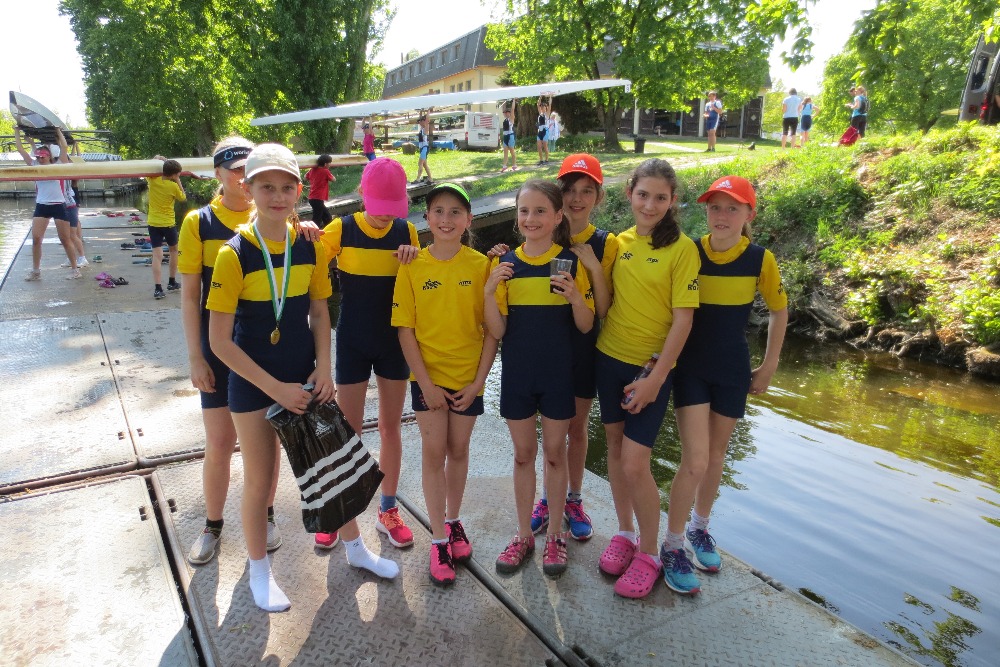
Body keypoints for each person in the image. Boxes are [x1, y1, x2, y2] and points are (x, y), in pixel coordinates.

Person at [207, 143, 398, 612]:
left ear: (298, 191)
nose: (277, 196)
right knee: (261, 480)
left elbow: (320, 311)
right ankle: (259, 572)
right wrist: (275, 389)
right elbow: (220, 342)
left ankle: (356, 549)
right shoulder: (234, 254)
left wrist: (324, 367)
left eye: (286, 187)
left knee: (335, 468)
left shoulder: (308, 247)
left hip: (305, 375)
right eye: (266, 187)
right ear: (247, 188)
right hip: (255, 384)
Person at [180, 137, 324, 565]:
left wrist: (306, 227)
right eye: (236, 170)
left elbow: (313, 295)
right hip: (222, 346)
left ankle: (266, 516)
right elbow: (190, 296)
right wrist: (195, 356)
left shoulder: (291, 227)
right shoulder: (201, 223)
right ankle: (212, 524)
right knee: (220, 441)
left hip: (266, 345)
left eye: (248, 166)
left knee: (267, 445)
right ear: (224, 176)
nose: (241, 174)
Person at [663, 175, 788, 595]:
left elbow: (779, 310)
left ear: (749, 214)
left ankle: (699, 529)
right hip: (691, 367)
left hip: (733, 368)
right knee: (695, 460)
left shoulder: (760, 259)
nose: (722, 215)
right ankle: (672, 545)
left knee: (716, 456)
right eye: (715, 207)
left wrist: (768, 365)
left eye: (732, 208)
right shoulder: (689, 251)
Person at [594, 158, 700, 600]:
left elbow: (683, 320)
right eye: (643, 195)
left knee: (636, 463)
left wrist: (657, 378)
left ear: (672, 200)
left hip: (649, 370)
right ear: (629, 194)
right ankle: (624, 532)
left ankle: (651, 553)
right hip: (609, 358)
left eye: (660, 197)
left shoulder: (683, 249)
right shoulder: (618, 243)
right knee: (616, 452)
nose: (650, 205)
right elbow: (608, 300)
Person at [485, 179, 595, 578]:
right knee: (522, 455)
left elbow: (585, 325)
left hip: (558, 376)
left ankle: (554, 537)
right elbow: (497, 330)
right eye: (524, 211)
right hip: (518, 375)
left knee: (554, 454)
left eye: (540, 211)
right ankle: (522, 536)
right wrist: (488, 291)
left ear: (558, 216)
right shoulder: (504, 266)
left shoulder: (569, 263)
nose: (530, 219)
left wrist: (576, 298)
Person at [392, 183, 499, 586]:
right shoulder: (412, 265)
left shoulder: (482, 265)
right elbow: (405, 330)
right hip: (429, 379)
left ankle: (454, 521)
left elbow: (492, 331)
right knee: (434, 452)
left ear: (469, 219)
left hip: (469, 379)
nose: (446, 219)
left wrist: (478, 383)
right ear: (427, 219)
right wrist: (425, 384)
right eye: (438, 211)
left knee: (459, 450)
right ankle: (438, 539)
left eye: (456, 212)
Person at [319, 157, 420, 551]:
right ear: (362, 194)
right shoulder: (340, 229)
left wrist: (413, 260)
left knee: (391, 428)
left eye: (391, 210)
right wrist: (304, 232)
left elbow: (419, 285)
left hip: (394, 342)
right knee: (350, 432)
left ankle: (388, 509)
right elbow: (305, 263)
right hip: (353, 341)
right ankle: (339, 510)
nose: (384, 217)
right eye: (378, 208)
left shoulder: (407, 231)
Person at [527, 154, 615, 542]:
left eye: (587, 191)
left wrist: (593, 267)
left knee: (576, 428)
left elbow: (606, 308)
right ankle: (548, 498)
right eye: (569, 190)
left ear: (599, 196)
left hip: (584, 346)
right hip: (547, 346)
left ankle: (574, 499)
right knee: (549, 432)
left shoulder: (607, 243)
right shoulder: (545, 230)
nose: (577, 198)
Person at [14, 127, 81, 280]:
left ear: (49, 156)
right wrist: (16, 131)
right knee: (36, 239)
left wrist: (58, 131)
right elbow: (20, 149)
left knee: (65, 239)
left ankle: (75, 270)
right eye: (38, 156)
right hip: (42, 205)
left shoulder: (59, 165)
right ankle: (36, 271)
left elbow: (64, 147)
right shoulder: (34, 166)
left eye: (43, 156)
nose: (40, 159)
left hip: (58, 205)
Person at [147, 157, 186, 299]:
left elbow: (149, 165)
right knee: (174, 250)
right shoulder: (173, 187)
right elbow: (183, 198)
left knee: (157, 255)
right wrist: (178, 180)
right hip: (168, 224)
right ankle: (172, 281)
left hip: (153, 223)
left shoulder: (153, 180)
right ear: (175, 174)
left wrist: (158, 158)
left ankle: (158, 288)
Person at [305, 154, 337, 225]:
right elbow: (334, 179)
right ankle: (312, 230)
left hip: (312, 198)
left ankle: (327, 228)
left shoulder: (312, 170)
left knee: (326, 217)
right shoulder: (325, 171)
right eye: (329, 163)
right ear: (325, 164)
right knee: (317, 218)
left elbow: (305, 177)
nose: (330, 165)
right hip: (318, 198)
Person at [412, 115, 432, 183]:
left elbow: (427, 120)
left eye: (420, 121)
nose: (419, 123)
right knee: (425, 165)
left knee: (420, 163)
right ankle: (430, 179)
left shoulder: (425, 129)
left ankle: (418, 179)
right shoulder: (422, 129)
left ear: (424, 121)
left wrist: (428, 111)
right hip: (422, 149)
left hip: (424, 148)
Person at [501, 101, 518, 172]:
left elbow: (513, 108)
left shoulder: (511, 118)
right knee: (505, 151)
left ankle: (514, 165)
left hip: (510, 136)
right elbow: (503, 107)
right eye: (505, 112)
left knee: (512, 151)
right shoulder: (505, 119)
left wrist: (513, 100)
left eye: (507, 112)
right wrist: (503, 101)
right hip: (505, 136)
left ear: (509, 113)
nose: (505, 113)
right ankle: (504, 166)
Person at [536, 99, 550, 165]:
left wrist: (550, 97)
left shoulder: (547, 114)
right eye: (541, 107)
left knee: (545, 146)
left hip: (545, 131)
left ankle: (546, 160)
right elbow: (538, 104)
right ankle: (541, 160)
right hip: (540, 131)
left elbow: (550, 105)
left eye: (543, 107)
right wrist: (540, 96)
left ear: (546, 108)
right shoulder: (540, 114)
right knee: (539, 147)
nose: (541, 108)